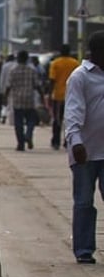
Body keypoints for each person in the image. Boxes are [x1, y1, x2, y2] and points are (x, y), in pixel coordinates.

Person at [63, 31, 104, 264]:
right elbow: (73, 111)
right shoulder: (80, 77)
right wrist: (75, 141)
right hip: (85, 152)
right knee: (84, 201)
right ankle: (84, 250)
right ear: (97, 53)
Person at [4, 49, 40, 151]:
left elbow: (8, 86)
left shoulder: (13, 70)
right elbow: (37, 85)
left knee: (18, 123)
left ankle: (20, 144)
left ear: (18, 59)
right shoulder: (32, 70)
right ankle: (28, 135)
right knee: (31, 121)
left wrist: (5, 98)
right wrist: (41, 96)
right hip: (29, 99)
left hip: (17, 100)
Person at [49, 45, 79, 150]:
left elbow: (52, 80)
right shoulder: (75, 63)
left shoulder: (55, 63)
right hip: (72, 95)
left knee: (57, 120)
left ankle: (56, 141)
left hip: (58, 96)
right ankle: (68, 141)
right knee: (69, 119)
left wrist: (49, 94)